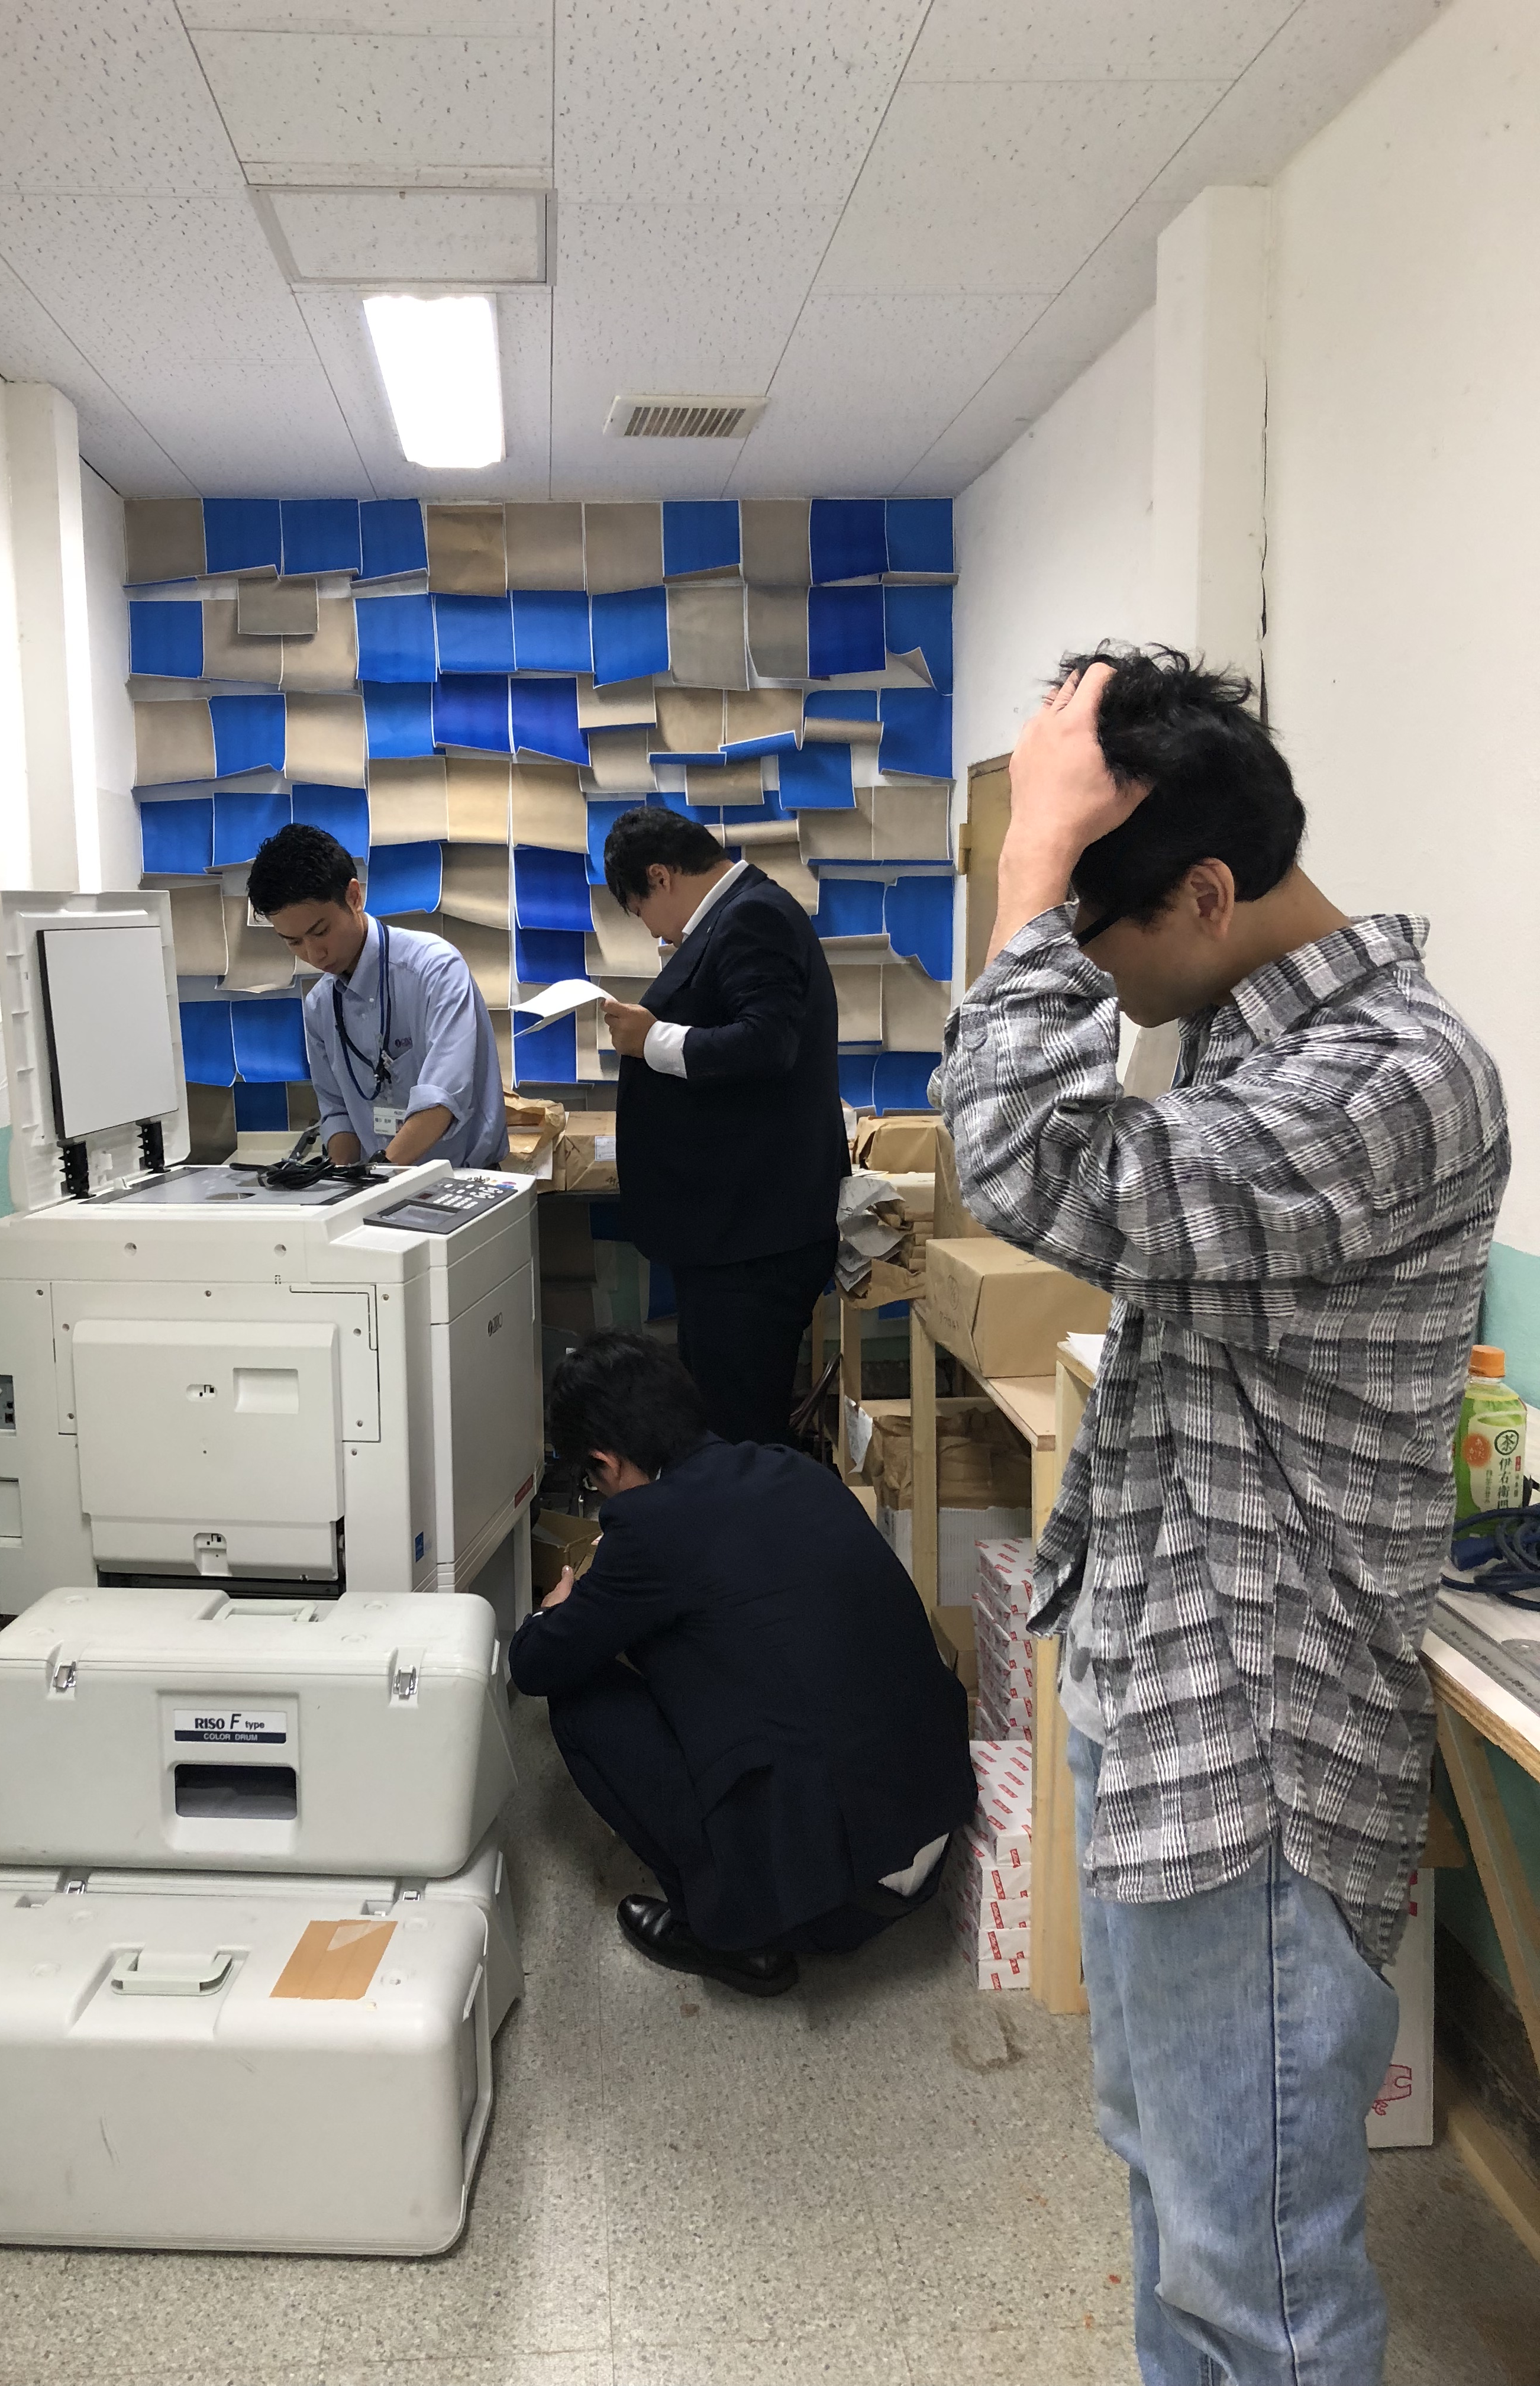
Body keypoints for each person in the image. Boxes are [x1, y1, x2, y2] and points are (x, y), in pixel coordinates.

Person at [940, 644, 1509, 2386]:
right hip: (1165, 1696)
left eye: (1096, 940)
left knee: (1253, 2274)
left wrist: (1028, 884)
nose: (1094, 981)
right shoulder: (1261, 1037)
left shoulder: (1395, 1079)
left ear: (1203, 893)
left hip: (1254, 1737)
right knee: (1182, 2202)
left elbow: (1031, 1163)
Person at [509, 1331, 977, 1995]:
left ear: (605, 1463)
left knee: (582, 1699)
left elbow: (534, 1666)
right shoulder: (794, 1469)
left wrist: (554, 1613)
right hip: (928, 1841)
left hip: (836, 1900)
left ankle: (731, 1932)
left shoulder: (649, 1529)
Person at [599, 809, 848, 1446]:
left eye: (639, 910)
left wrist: (652, 1040)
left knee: (741, 1424)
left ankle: (755, 1512)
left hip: (754, 1236)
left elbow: (767, 1043)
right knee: (724, 1409)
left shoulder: (752, 917)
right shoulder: (738, 915)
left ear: (661, 877)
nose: (652, 931)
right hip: (734, 1230)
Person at [246, 823, 506, 1170]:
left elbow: (441, 1102)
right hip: (375, 1181)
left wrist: (375, 1175)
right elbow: (337, 1111)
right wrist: (342, 1181)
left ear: (354, 897)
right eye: (293, 942)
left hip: (460, 1179)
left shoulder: (435, 970)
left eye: (321, 931)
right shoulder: (320, 1006)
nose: (314, 955)